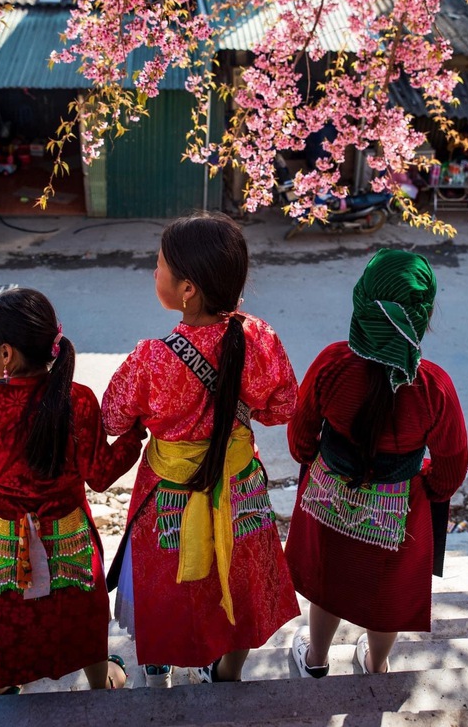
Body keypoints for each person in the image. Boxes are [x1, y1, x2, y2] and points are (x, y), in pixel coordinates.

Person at [102, 212, 299, 687]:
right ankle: (228, 672)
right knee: (236, 576)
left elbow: (111, 417)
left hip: (170, 493)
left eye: (160, 264)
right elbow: (281, 408)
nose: (154, 272)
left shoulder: (151, 358)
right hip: (238, 489)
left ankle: (158, 672)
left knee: (168, 583)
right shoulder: (259, 336)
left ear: (187, 289)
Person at [0, 287, 145, 695]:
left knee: (7, 625)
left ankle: (2, 690)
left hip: (5, 548)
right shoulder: (79, 400)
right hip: (70, 541)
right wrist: (132, 438)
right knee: (78, 622)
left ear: (5, 355)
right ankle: (100, 680)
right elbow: (101, 475)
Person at [284, 248, 468, 678]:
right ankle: (377, 664)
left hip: (329, 500)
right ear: (421, 317)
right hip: (400, 511)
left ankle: (315, 660)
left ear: (360, 304)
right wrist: (423, 487)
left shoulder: (332, 364)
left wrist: (324, 463)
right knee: (385, 595)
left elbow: (300, 439)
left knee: (329, 584)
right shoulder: (432, 388)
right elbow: (451, 466)